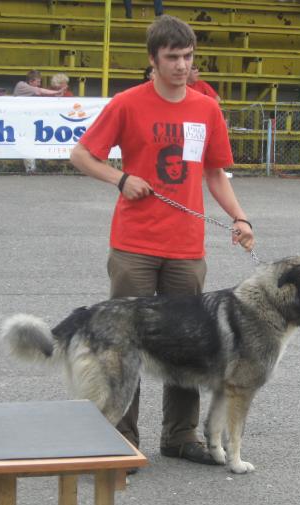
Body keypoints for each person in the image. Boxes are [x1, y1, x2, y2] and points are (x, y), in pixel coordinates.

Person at [70, 15, 254, 465]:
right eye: (172, 57)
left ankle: (180, 437)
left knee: (190, 347)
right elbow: (81, 155)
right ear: (152, 59)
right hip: (134, 243)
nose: (180, 65)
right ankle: (123, 441)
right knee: (125, 347)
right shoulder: (127, 103)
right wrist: (120, 178)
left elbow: (214, 174)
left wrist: (240, 217)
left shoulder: (206, 108)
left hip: (187, 248)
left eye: (187, 57)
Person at [14, 70, 66, 173]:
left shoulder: (33, 91)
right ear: (31, 81)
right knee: (26, 143)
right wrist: (56, 92)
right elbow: (40, 90)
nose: (39, 84)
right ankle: (31, 168)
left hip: (31, 122)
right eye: (37, 81)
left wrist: (55, 95)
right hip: (20, 120)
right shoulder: (21, 85)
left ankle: (38, 164)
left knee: (33, 142)